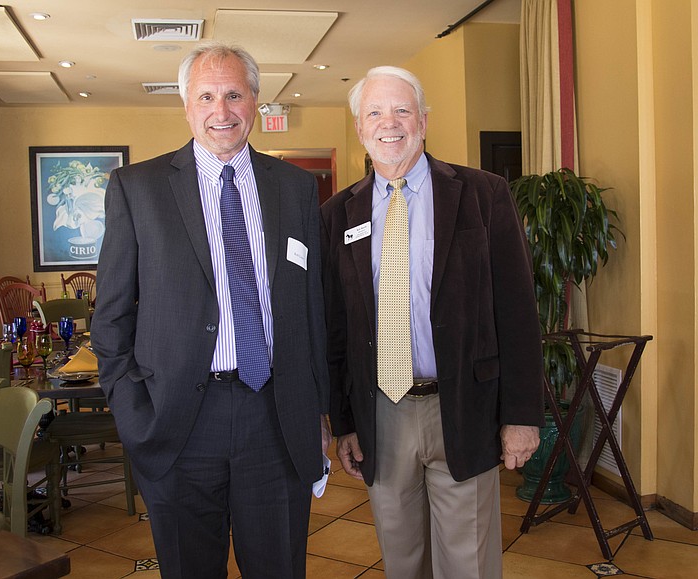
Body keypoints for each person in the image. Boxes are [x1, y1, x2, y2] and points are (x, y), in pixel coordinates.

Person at [91, 41, 331, 578]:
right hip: (176, 421)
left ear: (255, 102)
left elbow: (311, 310)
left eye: (233, 95)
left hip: (273, 418)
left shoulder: (294, 189)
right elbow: (109, 319)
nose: (220, 111)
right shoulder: (138, 188)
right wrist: (134, 415)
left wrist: (317, 411)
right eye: (206, 96)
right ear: (185, 104)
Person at [320, 66, 544, 578]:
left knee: (469, 562)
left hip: (465, 406)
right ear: (359, 127)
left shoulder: (483, 195)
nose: (389, 123)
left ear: (423, 120)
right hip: (383, 414)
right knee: (403, 561)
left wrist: (523, 414)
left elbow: (517, 312)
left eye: (402, 110)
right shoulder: (338, 215)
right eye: (375, 112)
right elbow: (337, 330)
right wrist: (345, 421)